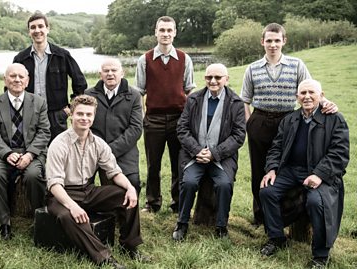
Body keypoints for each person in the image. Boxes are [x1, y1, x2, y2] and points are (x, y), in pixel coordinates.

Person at [240, 23, 336, 226]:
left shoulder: (297, 65)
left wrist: (326, 103)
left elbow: (310, 90)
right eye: (269, 41)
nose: (273, 45)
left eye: (277, 40)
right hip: (260, 121)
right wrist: (250, 124)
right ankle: (260, 216)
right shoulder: (252, 68)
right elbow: (245, 100)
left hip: (289, 122)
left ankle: (287, 216)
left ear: (284, 41)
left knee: (286, 168)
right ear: (262, 42)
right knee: (259, 169)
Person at [46, 95, 145, 268]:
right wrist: (72, 206)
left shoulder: (98, 143)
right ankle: (104, 258)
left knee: (126, 195)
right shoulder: (59, 143)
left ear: (93, 117)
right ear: (72, 115)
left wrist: (130, 187)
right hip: (62, 193)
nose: (84, 118)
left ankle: (130, 246)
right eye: (80, 114)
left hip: (88, 191)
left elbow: (114, 172)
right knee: (67, 216)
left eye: (88, 115)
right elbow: (54, 184)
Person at [259, 79, 349, 268]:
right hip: (291, 170)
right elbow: (276, 147)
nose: (307, 96)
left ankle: (320, 254)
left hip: (320, 173)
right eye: (303, 93)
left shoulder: (334, 119)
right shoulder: (290, 119)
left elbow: (340, 153)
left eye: (311, 92)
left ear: (321, 95)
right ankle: (277, 238)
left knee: (317, 202)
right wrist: (272, 169)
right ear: (296, 97)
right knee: (267, 191)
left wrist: (319, 174)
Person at [172, 64, 246, 241]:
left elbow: (238, 135)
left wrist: (214, 153)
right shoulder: (193, 99)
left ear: (226, 79)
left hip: (222, 157)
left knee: (224, 184)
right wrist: (197, 150)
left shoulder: (236, 103)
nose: (213, 81)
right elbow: (182, 128)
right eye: (209, 77)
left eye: (218, 77)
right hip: (193, 155)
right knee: (188, 182)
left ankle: (221, 226)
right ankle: (182, 223)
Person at [135, 15, 195, 213]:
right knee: (153, 165)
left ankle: (178, 203)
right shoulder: (145, 59)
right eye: (162, 30)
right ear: (156, 32)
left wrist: (189, 119)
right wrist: (144, 117)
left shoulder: (185, 59)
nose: (166, 34)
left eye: (169, 30)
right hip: (154, 120)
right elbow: (139, 92)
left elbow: (190, 90)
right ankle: (152, 203)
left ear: (175, 33)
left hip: (179, 119)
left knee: (179, 164)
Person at [0, 63, 50, 240]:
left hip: (31, 152)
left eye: (21, 76)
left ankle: (39, 217)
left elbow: (44, 132)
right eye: (12, 76)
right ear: (5, 80)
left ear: (27, 81)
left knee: (33, 175)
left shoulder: (39, 102)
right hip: (3, 152)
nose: (17, 79)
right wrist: (7, 153)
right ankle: (4, 221)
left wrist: (29, 155)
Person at [13, 12, 87, 142]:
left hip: (56, 117)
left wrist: (70, 108)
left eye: (41, 26)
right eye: (33, 27)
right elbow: (12, 85)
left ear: (48, 29)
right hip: (29, 116)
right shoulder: (21, 58)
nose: (37, 30)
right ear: (29, 31)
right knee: (32, 155)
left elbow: (80, 82)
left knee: (58, 156)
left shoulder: (62, 55)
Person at [85, 58, 143, 194]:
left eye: (114, 70)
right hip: (94, 150)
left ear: (122, 73)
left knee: (132, 182)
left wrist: (110, 150)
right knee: (80, 182)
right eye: (106, 71)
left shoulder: (134, 95)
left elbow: (135, 129)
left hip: (124, 150)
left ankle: (125, 213)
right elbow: (86, 126)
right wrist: (99, 150)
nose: (110, 74)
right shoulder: (89, 94)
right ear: (101, 74)